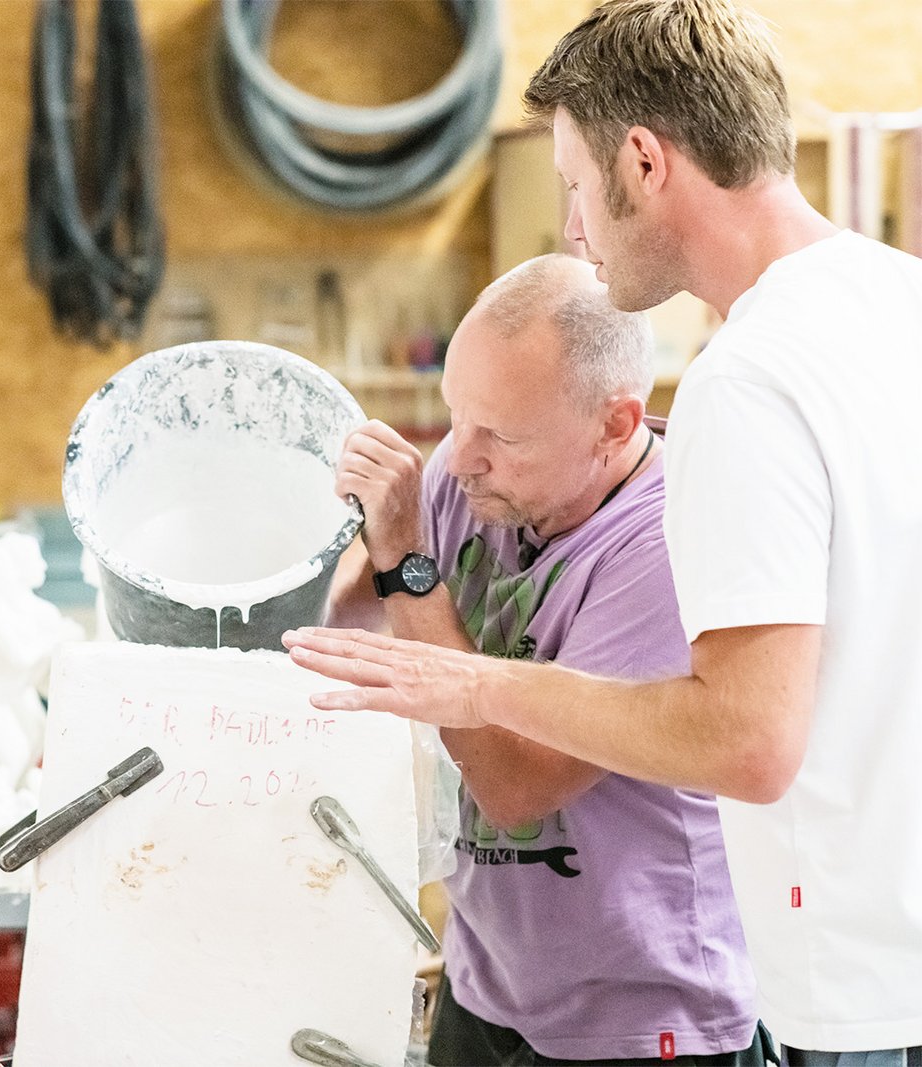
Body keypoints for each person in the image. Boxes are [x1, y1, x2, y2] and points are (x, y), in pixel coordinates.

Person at [286, 2, 922, 1062]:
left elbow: (746, 742)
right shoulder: (900, 302)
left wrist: (477, 685)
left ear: (642, 159)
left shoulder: (747, 381)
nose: (575, 227)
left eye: (576, 185)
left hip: (842, 983)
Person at [326, 254, 764, 1066]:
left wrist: (406, 564)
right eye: (458, 416)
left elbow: (517, 788)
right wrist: (348, 532)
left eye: (501, 434)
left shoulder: (668, 541)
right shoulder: (477, 478)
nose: (460, 458)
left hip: (641, 1015)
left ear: (615, 425)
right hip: (488, 981)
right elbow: (340, 630)